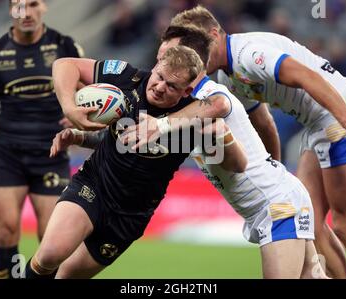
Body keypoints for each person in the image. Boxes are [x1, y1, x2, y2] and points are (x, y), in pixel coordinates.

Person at [167, 6, 346, 278]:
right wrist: (275, 178)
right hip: (318, 124)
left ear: (214, 34)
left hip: (344, 114)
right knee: (309, 221)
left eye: (199, 48)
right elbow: (265, 124)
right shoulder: (227, 77)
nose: (195, 59)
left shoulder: (248, 53)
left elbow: (306, 75)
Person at [115, 25, 327, 278]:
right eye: (160, 58)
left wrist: (161, 125)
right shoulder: (182, 108)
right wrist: (85, 137)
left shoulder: (208, 94)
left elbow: (219, 104)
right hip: (278, 197)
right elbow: (144, 143)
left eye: (170, 55)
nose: (162, 63)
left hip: (276, 204)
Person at [23, 45, 247, 279]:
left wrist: (222, 134)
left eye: (172, 86)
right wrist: (71, 114)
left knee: (65, 277)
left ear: (186, 91)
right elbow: (64, 65)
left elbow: (237, 164)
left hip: (130, 216)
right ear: (155, 67)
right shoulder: (128, 78)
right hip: (94, 185)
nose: (160, 87)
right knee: (50, 254)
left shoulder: (193, 117)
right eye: (159, 77)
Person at [0, 0, 84, 279]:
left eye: (33, 4)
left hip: (50, 153)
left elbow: (89, 91)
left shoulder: (65, 46)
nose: (26, 12)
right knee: (6, 230)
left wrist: (74, 111)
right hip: (7, 154)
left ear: (44, 7)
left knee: (52, 241)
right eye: (18, 5)